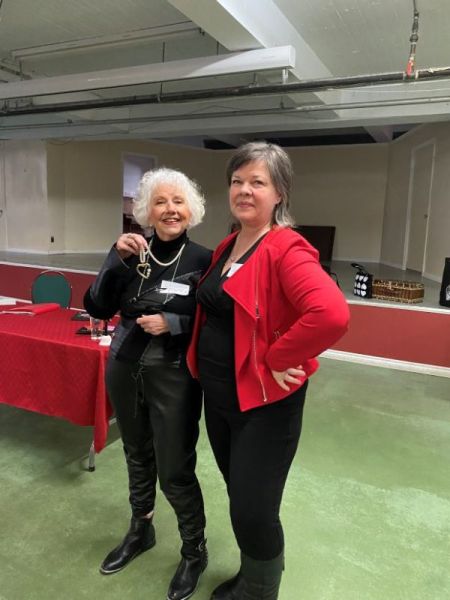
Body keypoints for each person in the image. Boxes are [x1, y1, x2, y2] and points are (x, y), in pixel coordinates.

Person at [187, 142, 350, 600]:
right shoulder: (229, 243)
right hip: (222, 398)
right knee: (242, 497)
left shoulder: (285, 248)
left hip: (265, 406)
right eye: (237, 181)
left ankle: (260, 590)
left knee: (254, 509)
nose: (244, 190)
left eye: (257, 182)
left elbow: (331, 314)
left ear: (279, 193)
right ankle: (254, 572)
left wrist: (278, 357)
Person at [84, 167, 212, 600]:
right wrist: (112, 259)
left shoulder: (205, 260)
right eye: (160, 202)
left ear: (191, 210)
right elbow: (96, 306)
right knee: (137, 455)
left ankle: (194, 551)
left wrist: (174, 322)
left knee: (175, 467)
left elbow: (217, 321)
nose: (170, 209)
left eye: (178, 201)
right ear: (146, 211)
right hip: (123, 365)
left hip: (173, 374)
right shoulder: (131, 252)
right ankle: (141, 530)